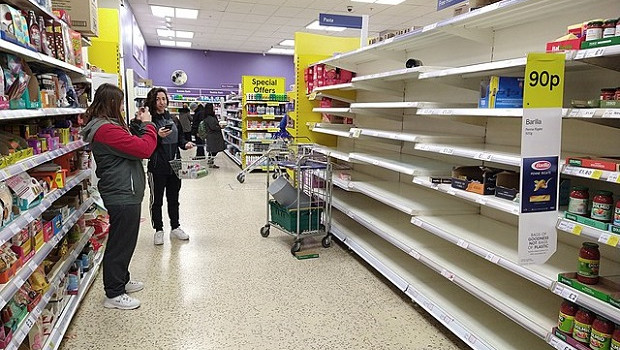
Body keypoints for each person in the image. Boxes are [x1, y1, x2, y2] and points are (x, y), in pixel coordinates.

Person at [81, 84, 157, 310]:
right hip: (122, 192)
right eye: (120, 103)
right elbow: (144, 149)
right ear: (112, 103)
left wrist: (136, 125)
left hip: (125, 189)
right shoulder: (106, 130)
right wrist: (148, 125)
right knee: (121, 243)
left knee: (126, 239)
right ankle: (114, 294)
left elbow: (129, 145)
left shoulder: (109, 127)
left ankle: (121, 279)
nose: (123, 107)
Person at [145, 88, 195, 245]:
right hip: (157, 166)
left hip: (175, 165)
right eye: (158, 99)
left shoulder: (174, 119)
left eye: (164, 99)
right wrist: (157, 137)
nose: (161, 102)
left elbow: (180, 137)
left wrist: (185, 144)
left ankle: (175, 227)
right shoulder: (149, 121)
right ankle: (158, 229)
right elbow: (144, 143)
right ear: (153, 101)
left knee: (174, 198)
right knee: (157, 200)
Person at [202, 103, 226, 168]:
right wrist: (220, 127)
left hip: (213, 136)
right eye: (213, 107)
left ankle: (210, 162)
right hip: (213, 137)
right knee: (214, 150)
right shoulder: (209, 118)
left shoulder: (209, 116)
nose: (214, 108)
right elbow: (213, 127)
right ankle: (211, 163)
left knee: (212, 150)